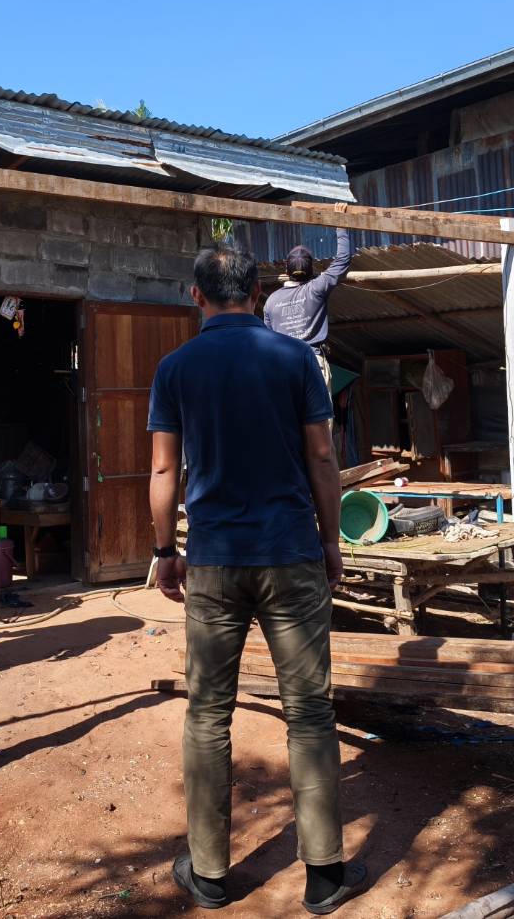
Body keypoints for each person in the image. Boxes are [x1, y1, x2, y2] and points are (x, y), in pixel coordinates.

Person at [148, 244, 367, 914]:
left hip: (215, 559)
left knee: (207, 712)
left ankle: (210, 872)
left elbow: (164, 470)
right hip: (290, 553)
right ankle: (324, 874)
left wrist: (165, 549)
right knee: (310, 712)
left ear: (196, 295)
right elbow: (323, 457)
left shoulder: (175, 367)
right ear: (257, 293)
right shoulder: (295, 359)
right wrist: (330, 542)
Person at [262, 226, 353, 392]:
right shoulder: (317, 288)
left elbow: (268, 341)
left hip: (283, 366)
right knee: (319, 410)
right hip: (313, 363)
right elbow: (343, 259)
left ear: (286, 270)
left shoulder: (271, 301)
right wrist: (340, 227)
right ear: (312, 270)